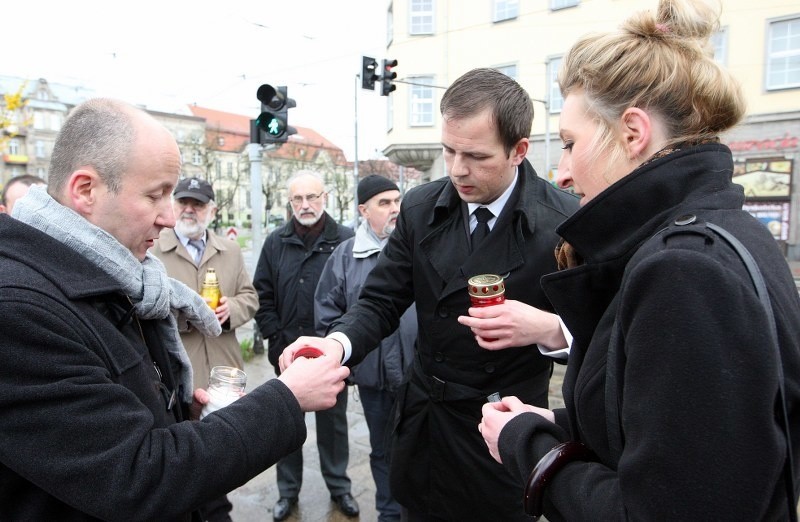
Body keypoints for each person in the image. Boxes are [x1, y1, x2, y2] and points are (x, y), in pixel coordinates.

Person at [478, 1, 800, 520]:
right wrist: (557, 423)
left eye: (568, 143)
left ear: (632, 132)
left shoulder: (683, 272)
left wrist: (528, 445)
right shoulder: (726, 232)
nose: (559, 172)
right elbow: (680, 440)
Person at [0, 98, 349, 521]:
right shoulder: (19, 310)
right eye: (156, 195)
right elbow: (138, 476)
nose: (169, 216)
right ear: (85, 190)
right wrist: (286, 399)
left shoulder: (121, 275)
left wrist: (180, 415)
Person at [279, 68, 580, 521]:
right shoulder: (421, 208)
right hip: (426, 419)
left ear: (519, 151)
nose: (457, 170)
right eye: (449, 150)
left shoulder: (563, 220)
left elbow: (603, 331)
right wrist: (335, 345)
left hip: (501, 425)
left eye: (476, 156)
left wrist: (550, 328)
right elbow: (380, 301)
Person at [253, 170, 359, 521]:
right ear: (290, 202)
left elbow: (356, 298)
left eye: (312, 197)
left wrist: (344, 345)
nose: (305, 205)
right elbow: (262, 295)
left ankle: (339, 488)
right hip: (287, 354)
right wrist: (273, 335)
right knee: (285, 423)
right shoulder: (276, 241)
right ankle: (287, 492)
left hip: (329, 354)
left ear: (324, 197)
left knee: (334, 427)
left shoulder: (345, 239)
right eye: (298, 199)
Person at [152, 176, 259, 522]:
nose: (188, 210)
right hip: (177, 367)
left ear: (211, 210)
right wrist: (185, 318)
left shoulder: (229, 249)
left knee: (224, 442)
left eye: (197, 204)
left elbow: (250, 296)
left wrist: (232, 311)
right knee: (183, 445)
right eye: (183, 202)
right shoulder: (154, 248)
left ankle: (216, 504)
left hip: (224, 365)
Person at [315, 174, 417, 522]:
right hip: (375, 381)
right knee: (383, 452)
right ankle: (389, 514)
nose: (394, 209)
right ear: (363, 209)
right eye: (384, 203)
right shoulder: (345, 257)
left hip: (419, 375)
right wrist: (352, 364)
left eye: (397, 201)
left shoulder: (416, 245)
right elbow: (328, 315)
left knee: (423, 449)